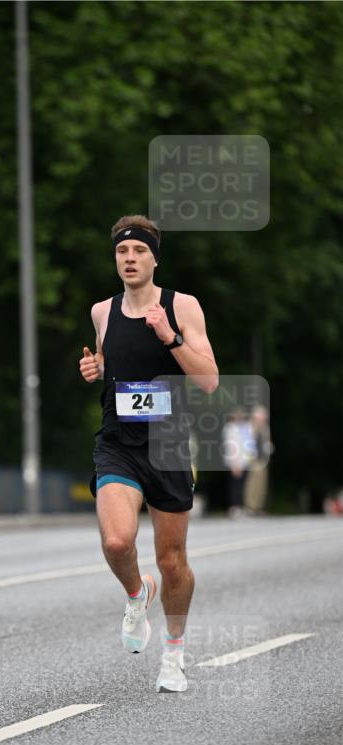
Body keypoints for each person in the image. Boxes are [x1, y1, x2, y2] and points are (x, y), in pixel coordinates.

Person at [79, 215, 218, 693]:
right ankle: (137, 596)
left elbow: (208, 379)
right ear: (115, 258)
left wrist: (170, 338)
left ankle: (174, 655)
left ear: (155, 258)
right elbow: (108, 361)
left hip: (170, 444)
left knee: (172, 559)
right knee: (117, 542)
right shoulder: (103, 311)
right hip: (118, 443)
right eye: (122, 252)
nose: (130, 259)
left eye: (139, 251)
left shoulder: (182, 307)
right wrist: (94, 368)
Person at [221, 409, 255, 518]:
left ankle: (239, 506)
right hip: (235, 462)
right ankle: (234, 507)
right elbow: (231, 447)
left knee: (241, 485)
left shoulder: (243, 428)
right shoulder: (230, 429)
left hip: (244, 462)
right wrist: (234, 463)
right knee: (235, 486)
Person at [244, 405, 273, 514]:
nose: (263, 420)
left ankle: (258, 506)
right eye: (261, 418)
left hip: (263, 459)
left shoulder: (265, 429)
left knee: (262, 483)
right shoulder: (249, 427)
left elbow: (267, 442)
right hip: (253, 459)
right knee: (252, 483)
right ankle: (250, 506)